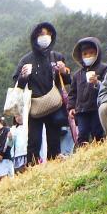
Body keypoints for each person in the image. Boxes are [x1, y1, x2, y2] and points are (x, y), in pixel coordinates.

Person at [14, 22, 70, 165]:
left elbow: (67, 80)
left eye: (46, 34)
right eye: (40, 34)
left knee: (54, 139)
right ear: (34, 37)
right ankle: (32, 167)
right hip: (35, 106)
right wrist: (23, 76)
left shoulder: (57, 56)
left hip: (53, 104)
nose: (43, 37)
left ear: (51, 35)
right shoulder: (26, 60)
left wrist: (63, 71)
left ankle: (54, 165)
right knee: (34, 141)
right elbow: (17, 84)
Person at [68, 37, 107, 145]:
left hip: (97, 107)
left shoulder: (105, 69)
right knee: (82, 134)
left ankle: (100, 151)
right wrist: (71, 107)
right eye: (85, 54)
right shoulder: (77, 74)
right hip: (81, 110)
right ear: (81, 56)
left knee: (97, 132)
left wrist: (97, 82)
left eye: (91, 53)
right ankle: (83, 154)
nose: (88, 56)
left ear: (97, 53)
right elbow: (72, 93)